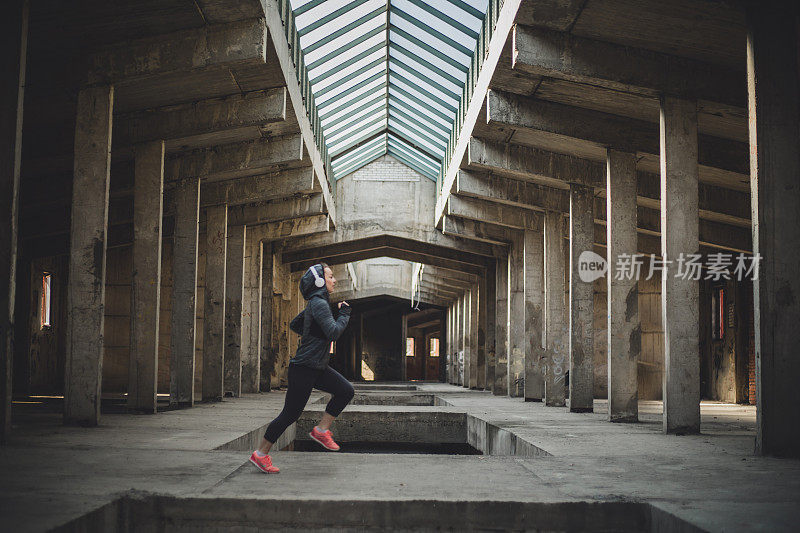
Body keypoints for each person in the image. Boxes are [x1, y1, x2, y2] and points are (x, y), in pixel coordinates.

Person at [249, 263, 354, 474]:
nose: (334, 280)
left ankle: (321, 430)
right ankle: (260, 454)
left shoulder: (316, 304)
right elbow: (333, 333)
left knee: (345, 391)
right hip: (305, 368)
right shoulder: (319, 303)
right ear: (319, 281)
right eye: (331, 277)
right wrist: (344, 314)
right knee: (290, 414)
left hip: (317, 366)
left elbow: (296, 325)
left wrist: (314, 331)